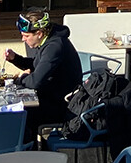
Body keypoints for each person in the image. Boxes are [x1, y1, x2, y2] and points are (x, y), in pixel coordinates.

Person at [5, 9, 83, 141]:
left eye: (26, 35)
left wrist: (20, 79)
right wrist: (15, 59)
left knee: (18, 115)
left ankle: (28, 153)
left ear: (39, 33)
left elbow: (35, 81)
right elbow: (37, 65)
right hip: (53, 97)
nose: (23, 39)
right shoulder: (49, 41)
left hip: (64, 107)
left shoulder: (54, 47)